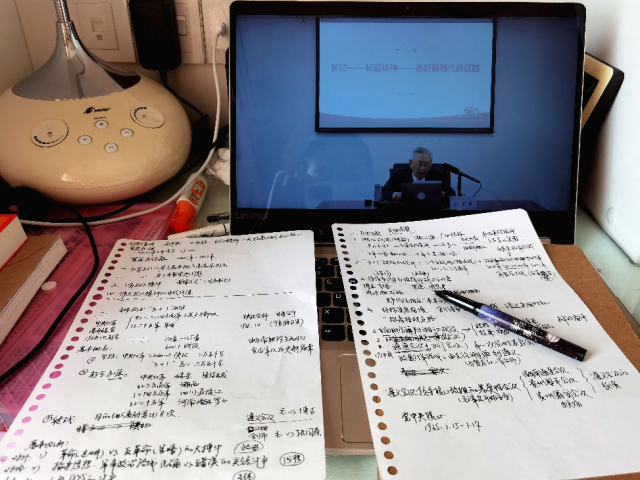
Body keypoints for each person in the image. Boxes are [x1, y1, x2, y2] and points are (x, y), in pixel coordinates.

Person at [381, 147, 455, 202]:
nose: (422, 168)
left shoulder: (437, 174)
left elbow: (452, 194)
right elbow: (382, 192)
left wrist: (443, 194)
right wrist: (394, 195)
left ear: (430, 166)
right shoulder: (398, 174)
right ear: (411, 163)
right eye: (419, 164)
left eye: (427, 165)